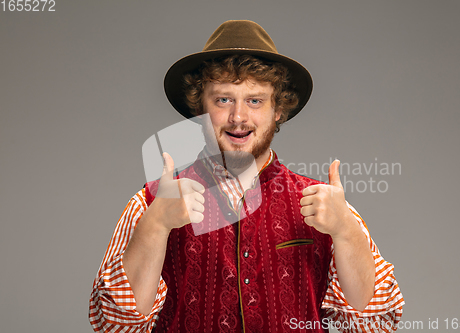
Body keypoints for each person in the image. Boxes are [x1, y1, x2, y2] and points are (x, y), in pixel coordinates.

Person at [89, 20, 404, 333]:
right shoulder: (151, 203)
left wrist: (347, 232)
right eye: (223, 99)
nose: (238, 117)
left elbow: (375, 325)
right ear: (200, 108)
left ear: (278, 109)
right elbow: (115, 326)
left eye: (254, 100)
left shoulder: (326, 205)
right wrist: (156, 226)